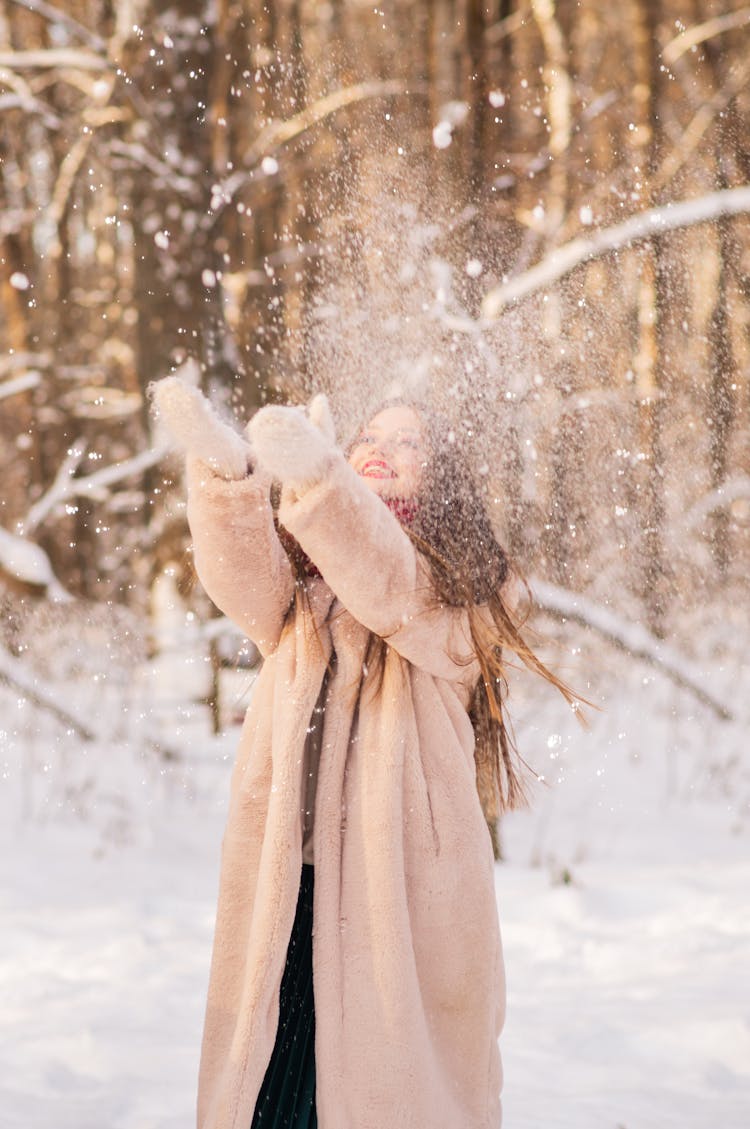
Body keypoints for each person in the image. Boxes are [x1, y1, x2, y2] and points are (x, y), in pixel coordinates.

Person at [151, 380, 579, 1129]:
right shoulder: (307, 591)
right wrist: (230, 478)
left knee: (390, 1090)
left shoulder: (461, 591)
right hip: (293, 881)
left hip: (397, 893)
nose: (381, 449)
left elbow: (384, 579)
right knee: (270, 1086)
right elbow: (242, 577)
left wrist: (322, 481)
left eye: (407, 442)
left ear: (442, 479)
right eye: (369, 438)